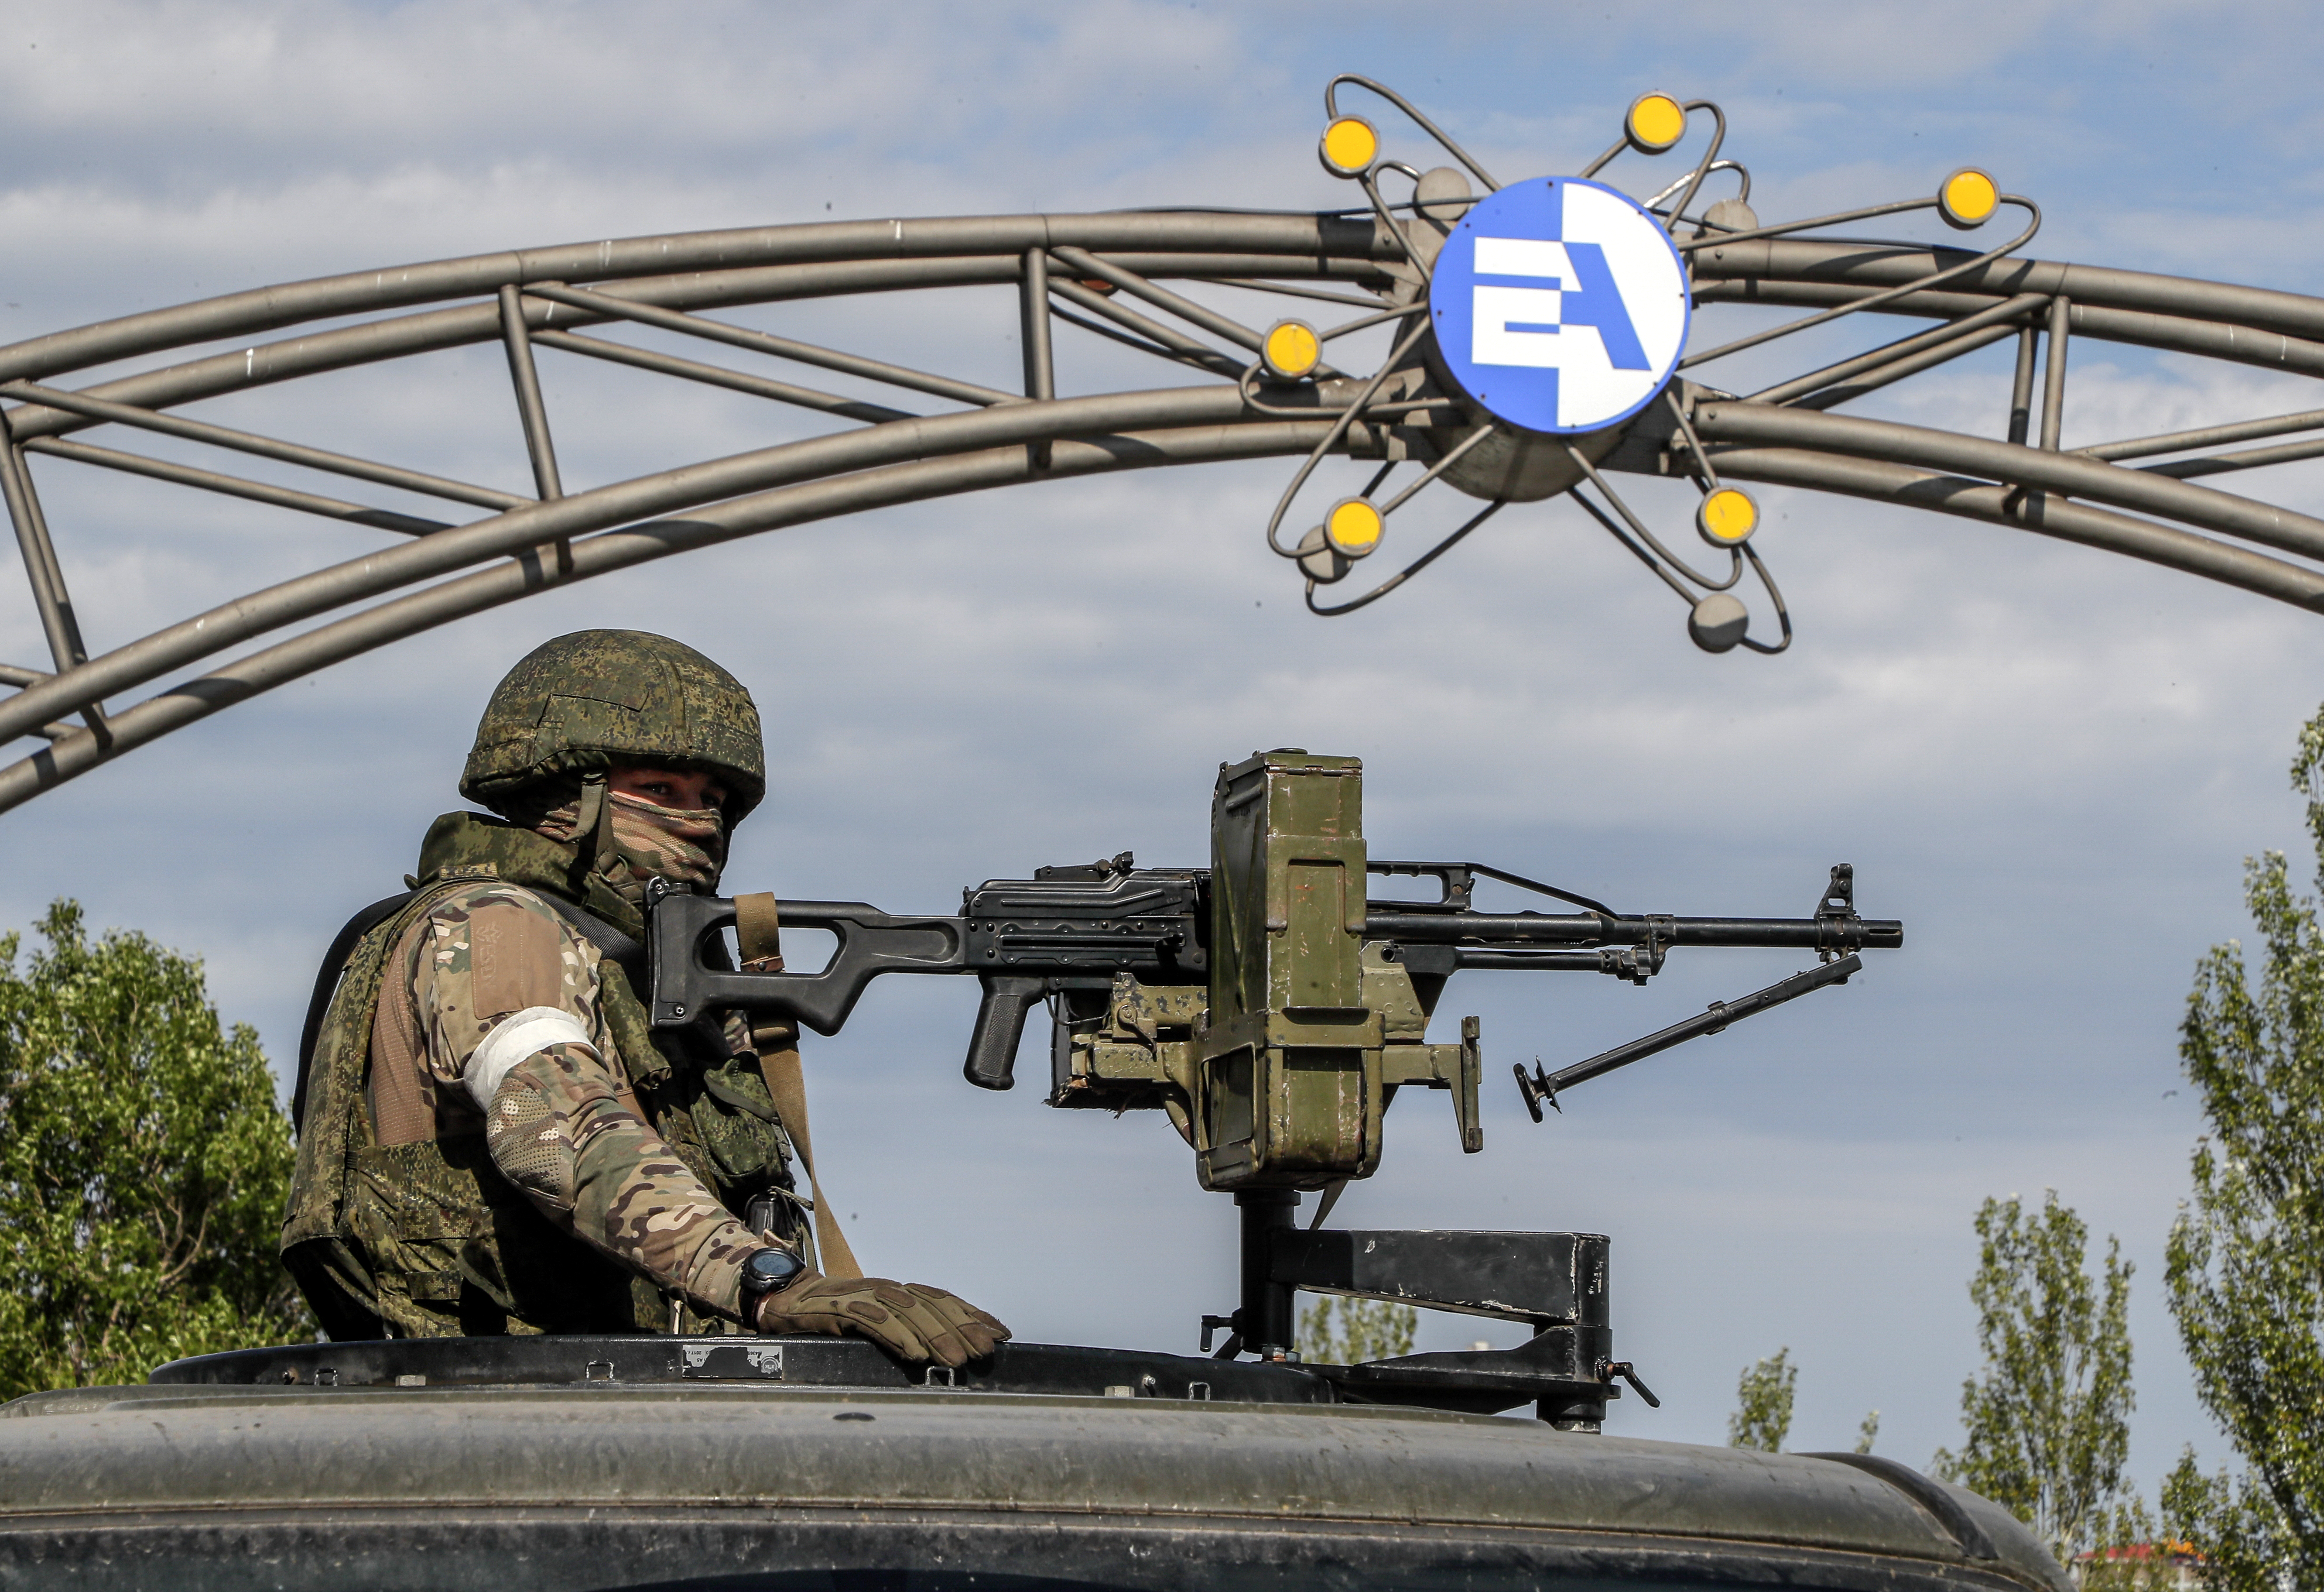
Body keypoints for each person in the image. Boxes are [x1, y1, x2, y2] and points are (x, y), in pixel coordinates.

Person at [281, 629, 1007, 1366]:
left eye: (715, 802)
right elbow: (551, 1118)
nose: (701, 825)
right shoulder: (495, 926)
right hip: (504, 1416)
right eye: (661, 792)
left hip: (617, 1411)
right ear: (568, 796)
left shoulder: (629, 966)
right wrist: (765, 1283)